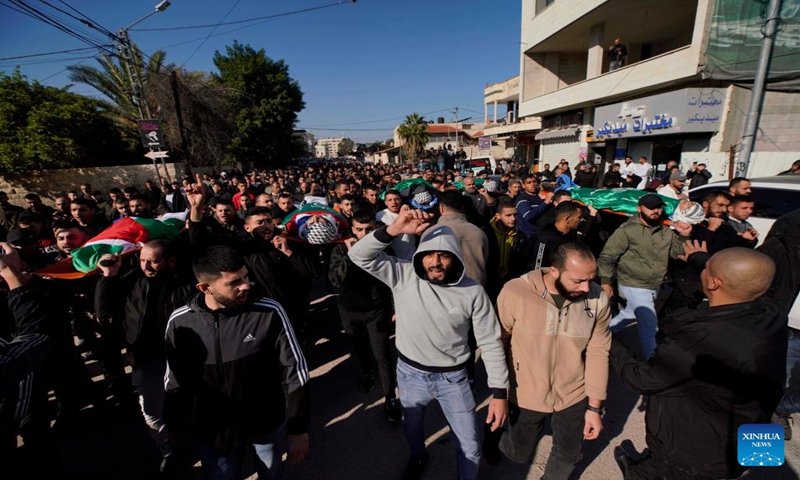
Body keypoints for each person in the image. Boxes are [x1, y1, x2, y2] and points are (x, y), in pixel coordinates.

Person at [349, 209, 509, 480]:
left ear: (455, 257)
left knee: (470, 445)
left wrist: (499, 393)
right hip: (410, 375)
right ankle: (417, 456)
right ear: (419, 256)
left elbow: (490, 342)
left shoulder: (473, 292)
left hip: (454, 380)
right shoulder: (402, 275)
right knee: (412, 428)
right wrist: (394, 229)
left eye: (444, 255)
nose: (435, 262)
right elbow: (358, 255)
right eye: (429, 255)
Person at [612, 247, 786, 480]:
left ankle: (637, 474)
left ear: (714, 282)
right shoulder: (773, 316)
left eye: (706, 268)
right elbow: (736, 276)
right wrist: (697, 258)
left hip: (699, 452)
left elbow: (641, 378)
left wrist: (607, 340)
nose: (702, 269)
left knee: (671, 471)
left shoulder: (701, 339)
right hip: (750, 435)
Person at [164, 245, 310, 479]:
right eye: (234, 282)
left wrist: (298, 429)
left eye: (245, 277)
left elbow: (295, 372)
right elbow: (174, 381)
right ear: (205, 288)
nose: (245, 285)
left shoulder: (268, 311)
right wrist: (175, 426)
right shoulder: (180, 323)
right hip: (214, 433)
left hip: (266, 426)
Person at [486, 243, 610, 478]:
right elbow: (496, 342)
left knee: (569, 454)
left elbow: (598, 351)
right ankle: (495, 436)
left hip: (574, 393)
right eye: (578, 281)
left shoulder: (597, 298)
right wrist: (498, 393)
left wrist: (595, 406)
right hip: (525, 392)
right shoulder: (515, 291)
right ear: (554, 271)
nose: (587, 288)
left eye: (591, 279)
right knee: (520, 453)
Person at [94, 240, 194, 468]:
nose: (146, 266)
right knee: (150, 408)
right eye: (142, 260)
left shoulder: (187, 283)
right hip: (144, 357)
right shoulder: (130, 280)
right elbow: (105, 312)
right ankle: (168, 450)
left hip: (181, 357)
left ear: (171, 261)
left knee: (186, 403)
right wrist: (109, 276)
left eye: (154, 261)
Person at [598, 194, 692, 360]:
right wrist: (606, 282)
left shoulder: (666, 230)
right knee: (649, 325)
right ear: (639, 208)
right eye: (651, 207)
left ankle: (598, 334)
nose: (656, 211)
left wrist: (684, 235)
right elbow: (607, 257)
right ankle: (653, 362)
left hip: (654, 283)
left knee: (630, 314)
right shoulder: (627, 231)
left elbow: (677, 253)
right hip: (633, 282)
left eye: (658, 207)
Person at [328, 210, 401, 421]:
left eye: (368, 229)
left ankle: (390, 397)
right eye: (359, 230)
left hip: (376, 309)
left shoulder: (385, 248)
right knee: (360, 347)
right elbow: (334, 280)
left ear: (376, 228)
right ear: (352, 230)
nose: (364, 234)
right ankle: (367, 372)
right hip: (350, 310)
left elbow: (395, 281)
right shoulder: (341, 249)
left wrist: (395, 309)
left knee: (382, 353)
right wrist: (351, 256)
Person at [423, 190, 488, 286]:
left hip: (442, 291)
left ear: (441, 208)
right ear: (462, 208)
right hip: (475, 288)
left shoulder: (431, 232)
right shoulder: (478, 232)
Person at [482, 198, 526, 302]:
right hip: (489, 283)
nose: (513, 219)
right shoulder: (485, 233)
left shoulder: (520, 236)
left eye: (515, 215)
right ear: (498, 216)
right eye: (508, 215)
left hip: (510, 282)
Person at [532, 201, 585, 270]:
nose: (581, 219)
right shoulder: (545, 240)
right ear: (567, 219)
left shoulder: (572, 234)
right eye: (579, 217)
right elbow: (538, 269)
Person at [376, 189, 416, 260]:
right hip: (394, 259)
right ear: (386, 203)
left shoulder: (409, 212)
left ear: (400, 200)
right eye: (390, 200)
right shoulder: (381, 215)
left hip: (412, 256)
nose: (393, 202)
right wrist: (401, 215)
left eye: (396, 199)